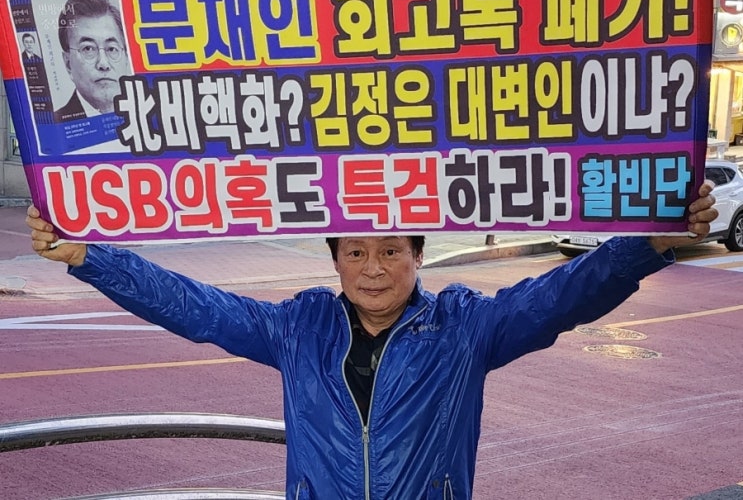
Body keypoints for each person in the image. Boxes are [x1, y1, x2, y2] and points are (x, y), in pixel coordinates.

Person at [26, 182, 718, 499]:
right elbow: (195, 306)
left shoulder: (464, 328)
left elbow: (561, 295)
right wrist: (91, 257)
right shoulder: (296, 329)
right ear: (335, 261)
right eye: (355, 252)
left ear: (418, 256)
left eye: (391, 251)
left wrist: (648, 242)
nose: (373, 269)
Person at [54, 0, 129, 122]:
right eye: (88, 49)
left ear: (126, 57)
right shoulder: (53, 125)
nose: (103, 64)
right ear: (68, 64)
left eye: (111, 49)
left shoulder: (147, 116)